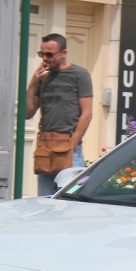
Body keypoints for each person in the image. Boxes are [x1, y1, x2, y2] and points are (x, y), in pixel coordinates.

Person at [25, 33, 93, 196]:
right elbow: (28, 113)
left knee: (70, 201)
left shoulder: (79, 75)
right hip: (46, 146)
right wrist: (33, 83)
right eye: (42, 54)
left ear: (64, 53)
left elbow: (87, 113)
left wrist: (73, 144)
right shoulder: (43, 78)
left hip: (68, 146)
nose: (45, 58)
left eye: (50, 54)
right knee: (45, 201)